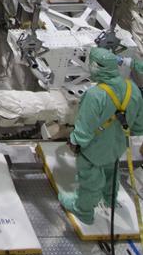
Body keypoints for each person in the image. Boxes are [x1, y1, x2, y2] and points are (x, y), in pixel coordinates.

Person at [59, 46, 143, 224]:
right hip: (118, 146)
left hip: (94, 149)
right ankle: (110, 198)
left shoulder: (95, 95)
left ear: (97, 67)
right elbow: (139, 124)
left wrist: (75, 142)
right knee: (111, 171)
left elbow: (85, 126)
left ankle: (83, 210)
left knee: (91, 179)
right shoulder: (132, 89)